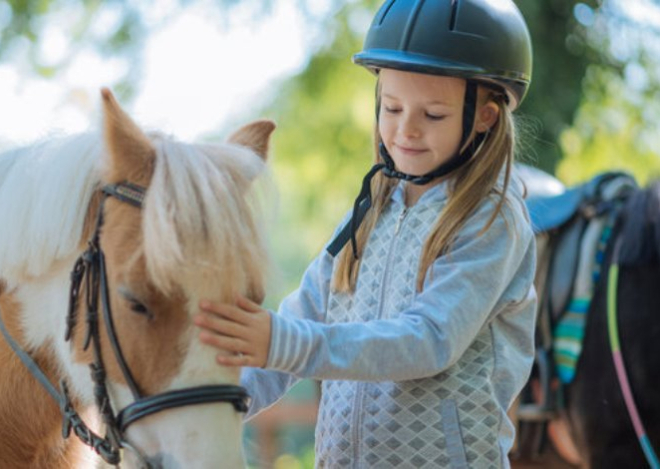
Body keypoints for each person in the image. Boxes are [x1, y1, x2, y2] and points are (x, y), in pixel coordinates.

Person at [195, 0, 536, 467]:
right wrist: (214, 406)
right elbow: (303, 318)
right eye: (392, 107)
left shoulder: (491, 219)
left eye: (432, 114)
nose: (405, 131)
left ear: (486, 116)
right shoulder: (367, 214)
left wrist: (282, 341)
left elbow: (429, 340)